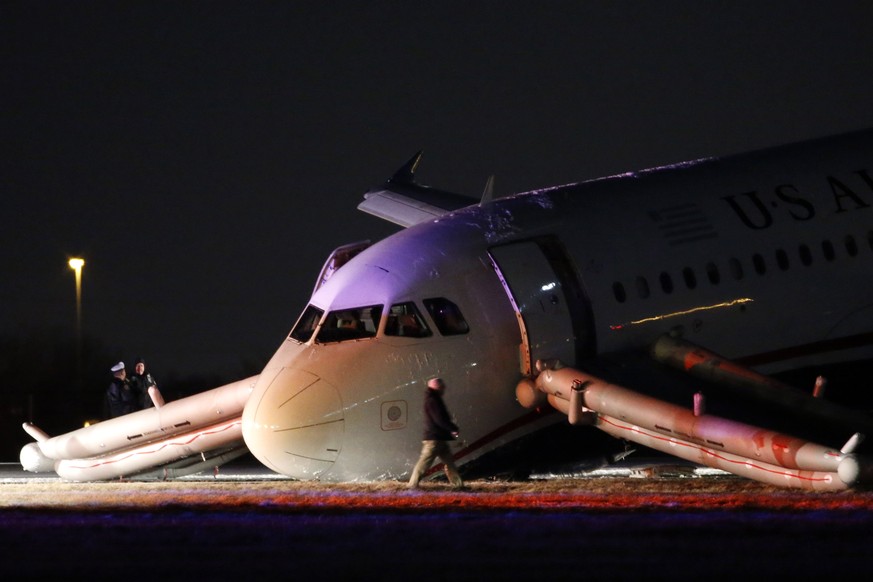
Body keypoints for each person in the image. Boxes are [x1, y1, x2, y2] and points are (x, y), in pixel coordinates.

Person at [407, 377, 464, 489]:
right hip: (434, 439)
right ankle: (412, 485)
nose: (444, 389)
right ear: (438, 387)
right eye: (442, 387)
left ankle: (458, 485)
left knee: (449, 463)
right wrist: (452, 428)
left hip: (438, 438)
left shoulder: (433, 399)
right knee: (424, 463)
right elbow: (439, 419)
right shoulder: (433, 401)